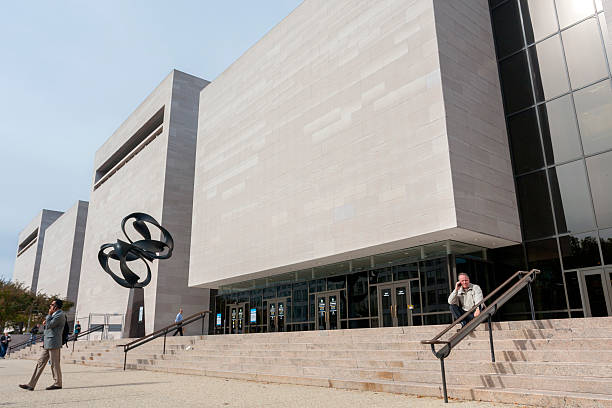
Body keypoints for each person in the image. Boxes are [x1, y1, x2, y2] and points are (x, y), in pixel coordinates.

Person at [19, 298, 66, 391]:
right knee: (40, 362)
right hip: (48, 342)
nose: (50, 306)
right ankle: (31, 384)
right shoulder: (54, 314)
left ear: (56, 306)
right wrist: (48, 320)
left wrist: (48, 316)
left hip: (54, 342)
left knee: (54, 363)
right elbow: (48, 325)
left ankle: (58, 383)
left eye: (52, 305)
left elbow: (49, 325)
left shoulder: (60, 315)